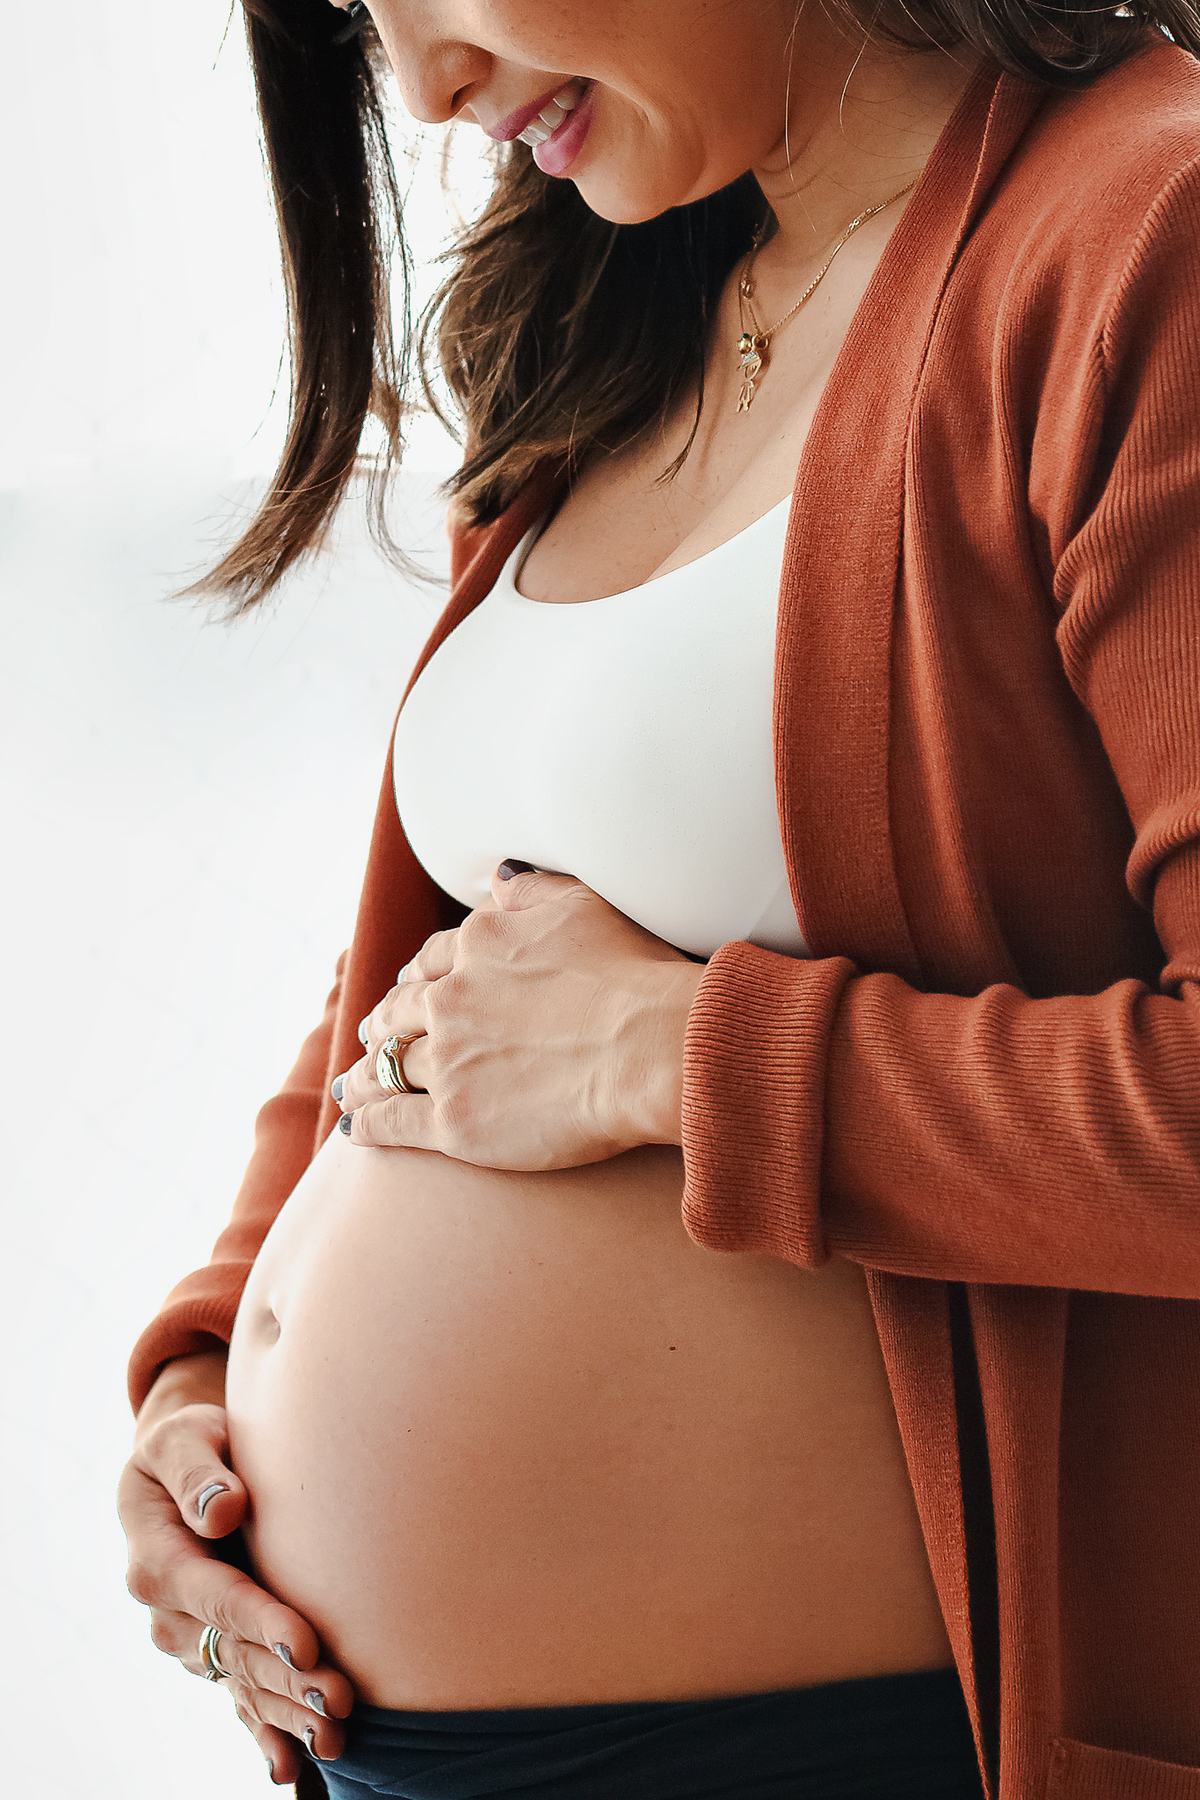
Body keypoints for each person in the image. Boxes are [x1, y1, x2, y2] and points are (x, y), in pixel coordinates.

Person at [118, 0, 1200, 1795]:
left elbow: (593, 1029)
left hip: (835, 1747)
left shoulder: (1145, 238)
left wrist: (680, 1059)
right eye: (362, 19)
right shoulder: (624, 294)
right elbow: (462, 972)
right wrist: (209, 1368)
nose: (425, 88)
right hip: (391, 1745)